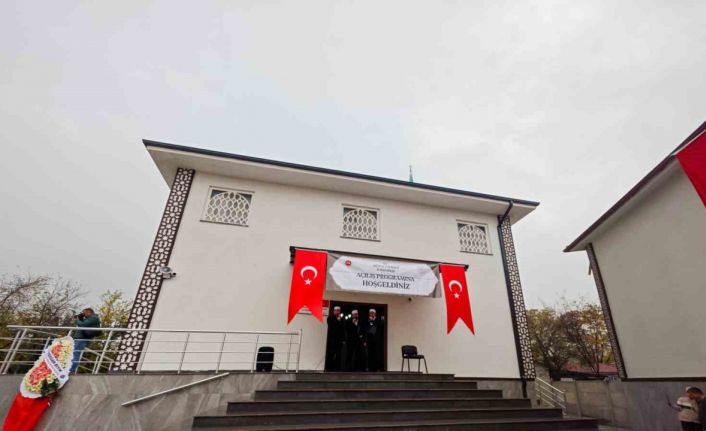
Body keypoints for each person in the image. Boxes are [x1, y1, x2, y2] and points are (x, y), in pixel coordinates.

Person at [70, 308, 101, 373]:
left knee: (75, 354)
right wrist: (80, 318)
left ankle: (71, 370)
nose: (83, 314)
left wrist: (76, 320)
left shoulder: (94, 318)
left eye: (84, 313)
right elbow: (83, 323)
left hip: (82, 339)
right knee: (73, 354)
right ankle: (70, 369)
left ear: (89, 312)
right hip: (80, 339)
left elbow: (82, 325)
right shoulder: (89, 319)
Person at [325, 306, 345, 371]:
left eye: (338, 310)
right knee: (331, 354)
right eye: (336, 310)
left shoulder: (341, 319)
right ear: (334, 311)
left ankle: (337, 368)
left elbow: (343, 329)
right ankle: (329, 368)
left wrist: (343, 339)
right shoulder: (330, 318)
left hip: (339, 340)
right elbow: (331, 326)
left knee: (338, 354)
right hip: (332, 340)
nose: (337, 312)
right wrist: (337, 321)